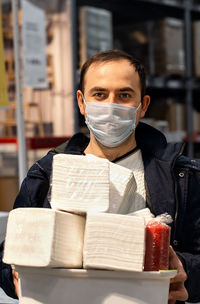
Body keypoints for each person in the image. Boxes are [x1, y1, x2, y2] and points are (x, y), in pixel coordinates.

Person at [1, 49, 200, 303]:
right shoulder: (47, 173)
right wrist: (16, 275)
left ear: (143, 106)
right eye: (99, 94)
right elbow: (7, 254)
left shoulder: (182, 176)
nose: (110, 105)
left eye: (124, 95)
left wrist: (182, 268)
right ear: (82, 103)